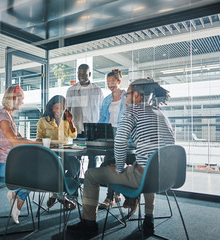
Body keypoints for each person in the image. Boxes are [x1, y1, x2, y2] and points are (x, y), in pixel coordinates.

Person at [68, 78, 175, 236]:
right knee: (148, 167)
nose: (125, 97)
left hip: (141, 177)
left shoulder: (133, 111)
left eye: (128, 94)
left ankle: (88, 222)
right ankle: (149, 218)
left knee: (91, 175)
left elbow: (119, 142)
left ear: (137, 96)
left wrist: (119, 169)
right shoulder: (160, 113)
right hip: (166, 177)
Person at [0, 85, 42, 224]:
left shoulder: (9, 116)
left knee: (37, 172)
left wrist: (39, 143)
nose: (23, 102)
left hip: (8, 162)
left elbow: (20, 139)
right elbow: (15, 142)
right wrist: (41, 144)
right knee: (33, 175)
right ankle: (17, 202)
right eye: (22, 98)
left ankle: (14, 195)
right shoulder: (2, 116)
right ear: (14, 98)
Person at [36, 95, 79, 210]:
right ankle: (60, 195)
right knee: (59, 165)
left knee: (76, 165)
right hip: (50, 154)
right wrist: (49, 143)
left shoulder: (66, 121)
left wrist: (70, 122)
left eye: (61, 108)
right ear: (51, 108)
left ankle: (56, 193)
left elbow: (73, 135)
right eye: (56, 108)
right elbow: (38, 139)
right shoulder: (43, 121)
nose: (58, 111)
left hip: (65, 152)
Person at [97, 69, 128, 209]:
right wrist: (98, 133)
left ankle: (111, 197)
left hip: (124, 136)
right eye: (108, 83)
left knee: (119, 166)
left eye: (113, 82)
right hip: (110, 137)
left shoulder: (128, 96)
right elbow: (103, 119)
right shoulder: (107, 100)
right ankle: (113, 195)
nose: (110, 85)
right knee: (109, 165)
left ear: (119, 82)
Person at [66, 63, 103, 168]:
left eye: (84, 74)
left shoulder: (97, 90)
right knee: (77, 156)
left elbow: (101, 109)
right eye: (79, 74)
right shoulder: (71, 90)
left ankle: (90, 181)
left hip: (92, 128)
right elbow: (68, 109)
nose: (81, 76)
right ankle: (76, 182)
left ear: (90, 74)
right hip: (78, 128)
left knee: (92, 156)